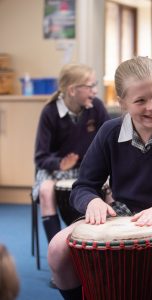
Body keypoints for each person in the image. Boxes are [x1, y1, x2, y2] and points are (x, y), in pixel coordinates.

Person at [47, 56, 152, 299]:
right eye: (140, 100)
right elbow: (83, 187)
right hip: (125, 214)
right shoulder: (109, 132)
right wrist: (92, 201)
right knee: (57, 249)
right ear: (123, 103)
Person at [32, 63, 110, 247]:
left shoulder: (96, 107)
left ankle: (105, 247)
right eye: (90, 86)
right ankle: (56, 250)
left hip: (88, 168)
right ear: (73, 90)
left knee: (113, 187)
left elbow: (110, 143)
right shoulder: (49, 112)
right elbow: (40, 157)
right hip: (56, 170)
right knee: (45, 190)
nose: (95, 90)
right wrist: (60, 164)